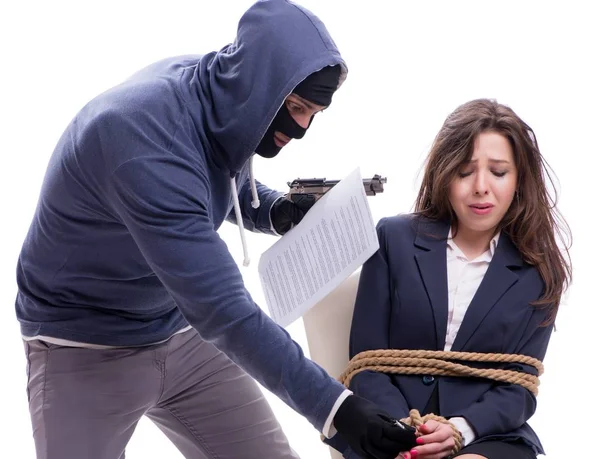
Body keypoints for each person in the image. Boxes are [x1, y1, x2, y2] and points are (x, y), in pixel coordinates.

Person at [14, 1, 416, 458]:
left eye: (314, 113)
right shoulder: (141, 142)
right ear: (255, 86)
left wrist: (273, 211)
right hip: (84, 346)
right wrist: (336, 409)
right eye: (296, 106)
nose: (301, 128)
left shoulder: (218, 90)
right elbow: (225, 310)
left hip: (180, 335)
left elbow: (216, 163)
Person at [331, 99, 572, 459]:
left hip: (485, 431)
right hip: (389, 424)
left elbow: (520, 387)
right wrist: (405, 428)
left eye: (499, 172)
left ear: (519, 179)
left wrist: (459, 430)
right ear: (445, 175)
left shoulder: (539, 272)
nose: (481, 187)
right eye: (464, 171)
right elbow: (366, 364)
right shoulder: (393, 240)